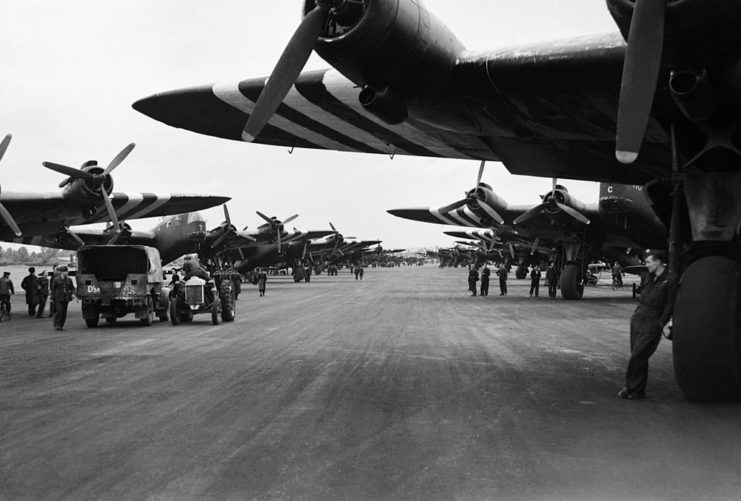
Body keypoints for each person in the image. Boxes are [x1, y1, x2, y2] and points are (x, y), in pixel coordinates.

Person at [618, 251, 678, 400]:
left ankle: (629, 387)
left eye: (649, 262)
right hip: (639, 317)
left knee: (638, 354)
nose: (646, 265)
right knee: (639, 356)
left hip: (653, 319)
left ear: (658, 262)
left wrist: (662, 322)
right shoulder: (650, 277)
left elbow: (671, 303)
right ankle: (638, 391)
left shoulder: (670, 279)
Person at [50, 266, 75, 331]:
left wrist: (72, 294)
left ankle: (61, 325)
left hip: (66, 298)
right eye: (66, 271)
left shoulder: (69, 280)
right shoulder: (56, 279)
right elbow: (53, 289)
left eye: (67, 271)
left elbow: (72, 288)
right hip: (58, 298)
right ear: (62, 272)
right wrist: (52, 298)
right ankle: (57, 325)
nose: (67, 272)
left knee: (64, 312)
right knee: (59, 311)